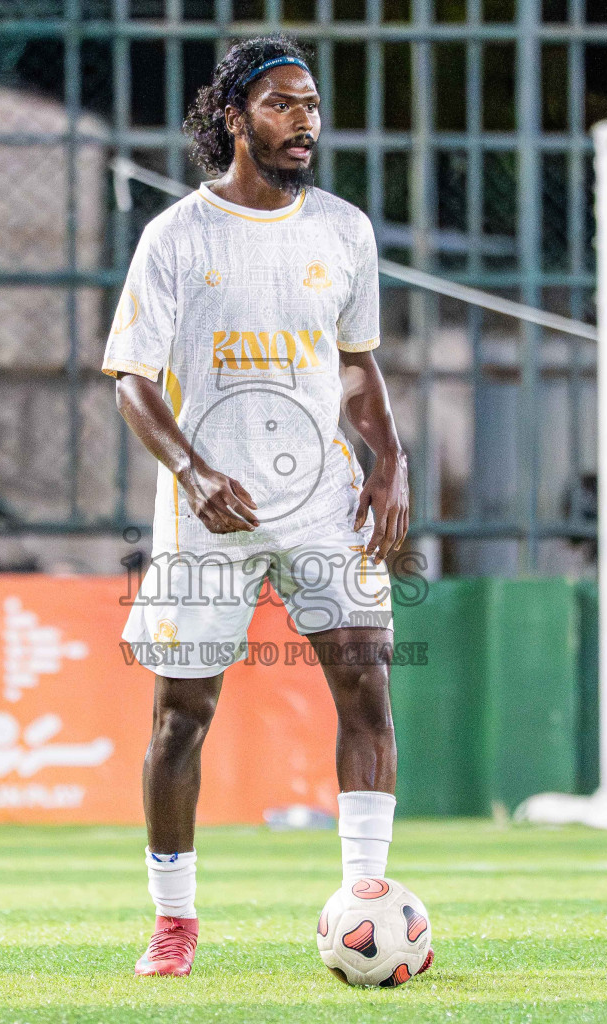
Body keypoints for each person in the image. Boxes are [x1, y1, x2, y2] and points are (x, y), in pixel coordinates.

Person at [105, 37, 419, 977]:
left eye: (314, 106)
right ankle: (174, 920)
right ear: (236, 118)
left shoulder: (344, 231)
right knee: (181, 718)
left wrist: (390, 457)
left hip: (324, 502)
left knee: (366, 686)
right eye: (284, 105)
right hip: (214, 511)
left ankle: (367, 898)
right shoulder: (176, 238)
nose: (307, 123)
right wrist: (194, 472)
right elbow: (130, 380)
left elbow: (355, 365)